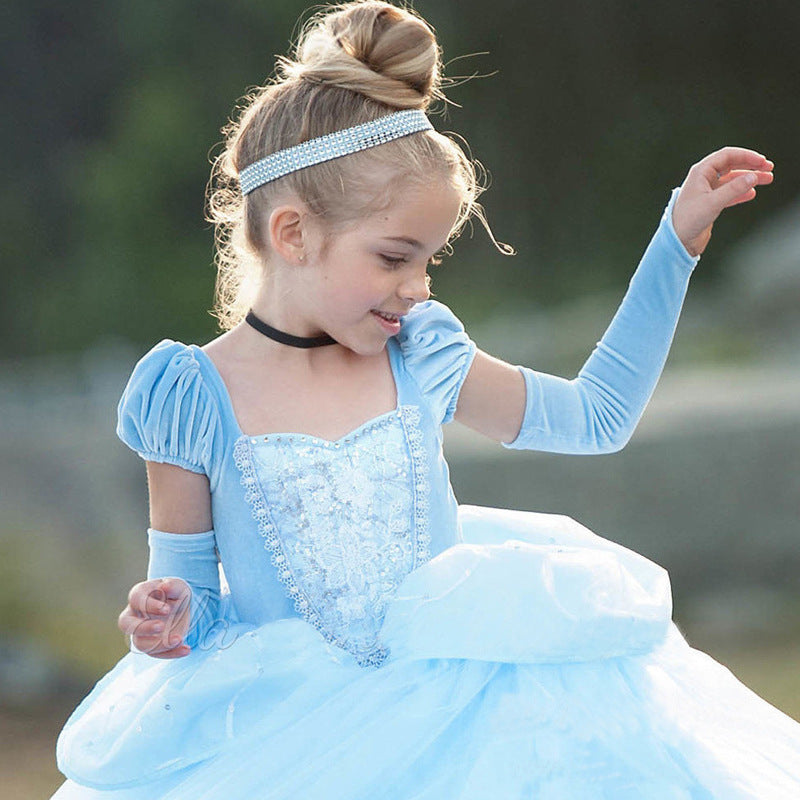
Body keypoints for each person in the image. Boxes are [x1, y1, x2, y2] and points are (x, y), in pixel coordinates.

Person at [52, 1, 800, 797]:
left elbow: (597, 418)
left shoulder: (420, 355)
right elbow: (192, 603)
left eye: (429, 261)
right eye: (394, 258)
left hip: (467, 713)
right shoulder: (191, 398)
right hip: (292, 737)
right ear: (294, 233)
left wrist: (674, 243)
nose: (417, 288)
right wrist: (165, 619)